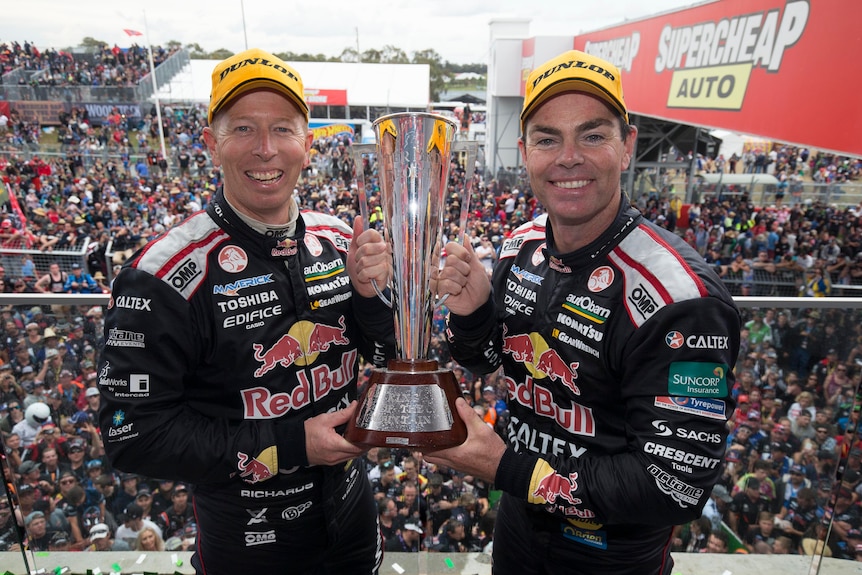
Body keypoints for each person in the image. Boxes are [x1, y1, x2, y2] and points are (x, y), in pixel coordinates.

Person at [429, 49, 740, 575]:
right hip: (518, 532)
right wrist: (472, 310)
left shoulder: (681, 299)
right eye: (549, 139)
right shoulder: (519, 246)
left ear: (627, 147)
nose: (568, 157)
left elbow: (674, 488)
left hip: (610, 558)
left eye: (592, 135)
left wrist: (504, 465)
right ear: (525, 152)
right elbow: (482, 361)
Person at [99, 48, 395, 575]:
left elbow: (384, 353)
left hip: (353, 519)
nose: (265, 149)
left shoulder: (338, 240)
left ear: (307, 144)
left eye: (283, 129)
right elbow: (132, 436)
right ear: (212, 143)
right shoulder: (163, 273)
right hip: (247, 542)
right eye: (243, 129)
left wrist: (372, 298)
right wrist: (290, 445)